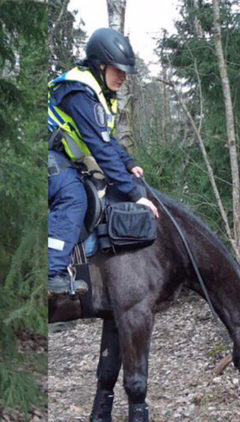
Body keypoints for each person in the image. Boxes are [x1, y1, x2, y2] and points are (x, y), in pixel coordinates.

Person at [47, 27, 158, 296]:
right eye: (117, 70)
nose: (123, 77)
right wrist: (134, 194)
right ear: (100, 65)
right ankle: (51, 273)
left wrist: (129, 163)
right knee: (73, 195)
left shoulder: (99, 94)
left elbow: (106, 139)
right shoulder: (79, 92)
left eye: (125, 72)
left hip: (65, 157)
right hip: (48, 156)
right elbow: (99, 147)